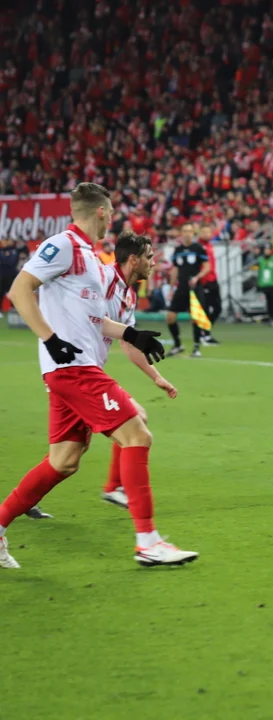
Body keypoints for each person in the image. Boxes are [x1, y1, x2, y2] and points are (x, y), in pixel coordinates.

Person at [0, 183, 196, 569]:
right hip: (73, 368)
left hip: (75, 368)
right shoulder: (65, 245)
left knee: (64, 460)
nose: (113, 221)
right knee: (137, 432)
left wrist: (130, 333)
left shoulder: (90, 257)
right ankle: (148, 542)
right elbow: (20, 289)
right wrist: (50, 339)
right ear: (103, 212)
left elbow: (92, 318)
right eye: (112, 214)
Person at [32, 231, 180, 517]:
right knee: (134, 422)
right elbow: (91, 317)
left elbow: (129, 341)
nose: (154, 263)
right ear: (133, 259)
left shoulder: (129, 294)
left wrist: (155, 376)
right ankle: (118, 494)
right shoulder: (100, 278)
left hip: (86, 372)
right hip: (73, 369)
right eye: (150, 257)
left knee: (65, 457)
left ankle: (24, 501)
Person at [166, 223, 210, 357]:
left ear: (193, 233)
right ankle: (177, 344)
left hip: (194, 288)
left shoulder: (199, 248)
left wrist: (197, 277)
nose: (187, 233)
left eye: (190, 231)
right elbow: (175, 269)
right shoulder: (178, 249)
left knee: (195, 318)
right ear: (181, 233)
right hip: (181, 288)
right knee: (170, 317)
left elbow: (207, 267)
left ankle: (196, 347)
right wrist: (171, 288)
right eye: (185, 231)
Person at [197, 224, 222, 345]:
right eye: (204, 232)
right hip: (204, 281)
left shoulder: (210, 246)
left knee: (218, 308)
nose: (207, 234)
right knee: (205, 309)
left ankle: (205, 330)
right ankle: (205, 334)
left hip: (213, 280)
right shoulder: (198, 247)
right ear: (200, 233)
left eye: (209, 232)